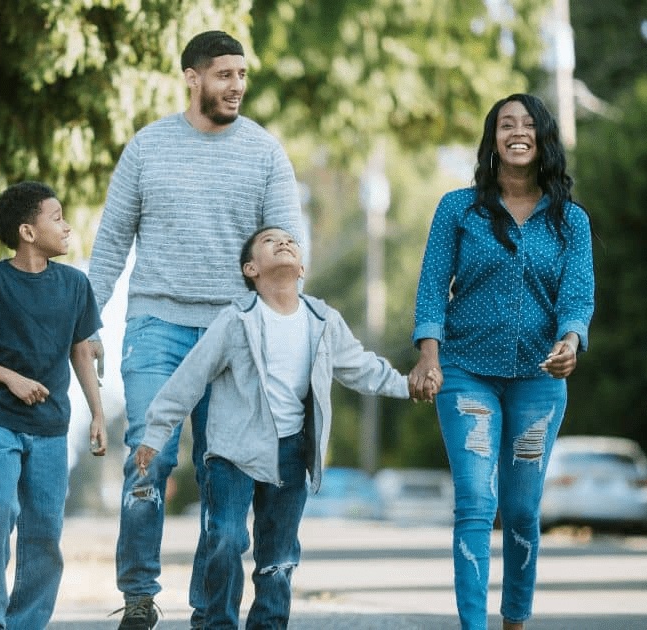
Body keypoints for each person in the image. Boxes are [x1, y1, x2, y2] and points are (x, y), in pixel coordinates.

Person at [86, 30, 305, 630]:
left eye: (241, 75)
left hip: (237, 337)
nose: (236, 86)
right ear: (192, 77)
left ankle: (211, 613)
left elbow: (287, 252)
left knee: (223, 478)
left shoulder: (265, 154)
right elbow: (110, 244)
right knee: (148, 459)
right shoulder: (147, 148)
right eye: (223, 74)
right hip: (157, 324)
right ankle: (138, 593)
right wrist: (88, 318)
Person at [134, 226, 413, 629]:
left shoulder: (322, 321)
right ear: (251, 269)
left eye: (290, 241)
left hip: (291, 451)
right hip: (233, 452)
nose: (283, 243)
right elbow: (190, 377)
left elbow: (362, 368)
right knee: (226, 539)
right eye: (269, 241)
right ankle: (217, 623)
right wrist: (155, 434)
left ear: (301, 266)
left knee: (279, 556)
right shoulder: (236, 321)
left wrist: (408, 386)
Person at [408, 93, 595, 630]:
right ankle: (473, 624)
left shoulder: (569, 221)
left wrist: (571, 341)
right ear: (492, 139)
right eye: (505, 124)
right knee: (474, 502)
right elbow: (430, 289)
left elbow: (577, 296)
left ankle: (515, 620)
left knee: (519, 511)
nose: (518, 132)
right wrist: (429, 356)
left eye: (528, 124)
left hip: (539, 378)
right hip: (465, 372)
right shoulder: (457, 208)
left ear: (543, 138)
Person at [0, 181, 106, 630]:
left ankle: (26, 623)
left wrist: (96, 412)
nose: (67, 225)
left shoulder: (75, 284)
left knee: (44, 533)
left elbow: (80, 351)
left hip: (52, 427)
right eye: (56, 217)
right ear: (28, 232)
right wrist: (10, 378)